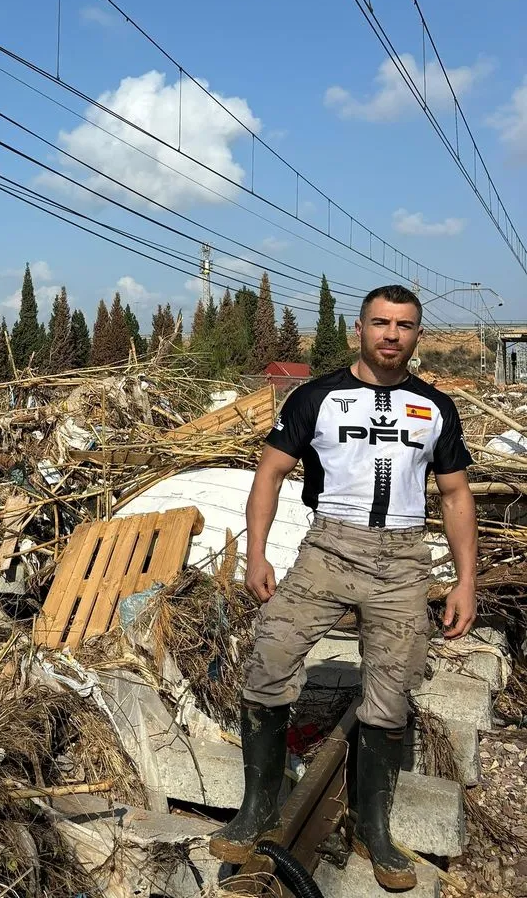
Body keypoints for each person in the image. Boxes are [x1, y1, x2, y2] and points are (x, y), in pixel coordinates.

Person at [209, 285, 477, 891]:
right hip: (328, 552)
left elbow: (456, 495)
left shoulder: (435, 408)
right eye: (380, 322)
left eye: (404, 325)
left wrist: (467, 580)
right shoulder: (318, 397)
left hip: (403, 561)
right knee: (270, 662)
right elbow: (270, 473)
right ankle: (258, 809)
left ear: (416, 335)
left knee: (389, 695)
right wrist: (255, 554)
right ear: (359, 328)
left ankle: (372, 825)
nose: (391, 335)